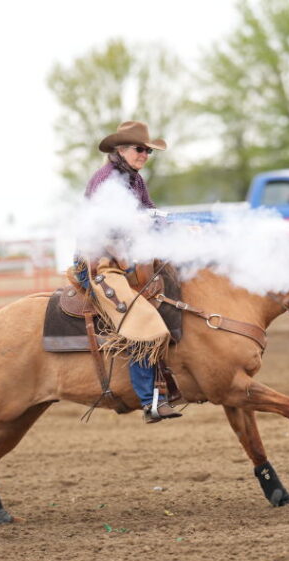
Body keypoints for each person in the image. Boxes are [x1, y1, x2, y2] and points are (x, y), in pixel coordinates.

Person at [79, 121, 182, 424]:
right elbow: (103, 232)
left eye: (148, 151)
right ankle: (151, 401)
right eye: (141, 149)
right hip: (99, 264)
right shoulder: (105, 181)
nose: (145, 154)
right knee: (141, 321)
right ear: (121, 150)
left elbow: (148, 212)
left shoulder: (135, 180)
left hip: (126, 260)